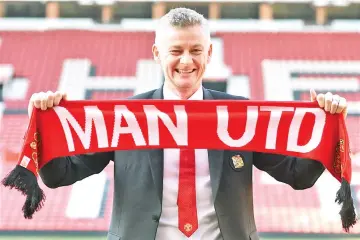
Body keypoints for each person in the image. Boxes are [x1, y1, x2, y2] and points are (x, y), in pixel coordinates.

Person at [27, 8, 348, 240]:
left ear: (209, 53)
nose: (186, 61)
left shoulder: (240, 116)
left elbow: (297, 175)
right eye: (175, 50)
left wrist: (327, 127)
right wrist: (42, 127)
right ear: (156, 53)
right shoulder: (125, 117)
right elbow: (61, 175)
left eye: (195, 50)